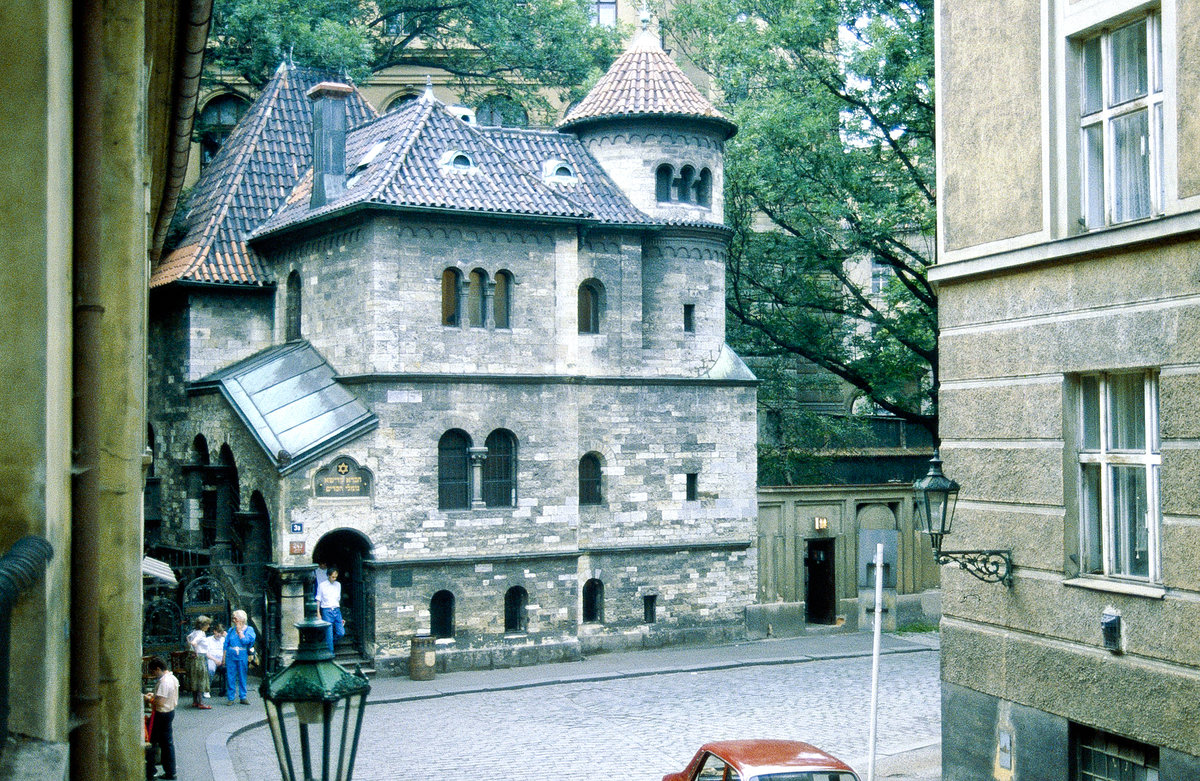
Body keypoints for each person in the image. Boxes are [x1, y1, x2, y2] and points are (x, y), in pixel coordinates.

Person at [144, 656, 178, 779]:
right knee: (167, 743)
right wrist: (154, 695)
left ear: (158, 669)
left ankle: (151, 771)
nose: (153, 675)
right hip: (169, 712)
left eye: (153, 672)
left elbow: (160, 702)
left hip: (161, 714)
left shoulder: (164, 682)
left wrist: (148, 698)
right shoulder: (172, 678)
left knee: (152, 742)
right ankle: (170, 771)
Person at [224, 609, 257, 705]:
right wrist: (224, 657)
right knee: (230, 676)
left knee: (242, 676)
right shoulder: (230, 630)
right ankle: (231, 698)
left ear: (242, 619)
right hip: (231, 655)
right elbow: (226, 644)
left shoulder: (249, 630)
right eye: (233, 618)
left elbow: (247, 642)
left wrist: (240, 632)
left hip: (242, 654)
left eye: (235, 618)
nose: (233, 620)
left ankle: (243, 696)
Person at [316, 567, 345, 653]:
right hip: (326, 610)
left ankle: (327, 645)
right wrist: (318, 612)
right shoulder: (322, 585)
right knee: (329, 634)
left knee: (341, 632)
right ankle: (330, 652)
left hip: (336, 610)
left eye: (336, 577)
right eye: (332, 577)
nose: (334, 579)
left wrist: (340, 615)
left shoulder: (338, 585)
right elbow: (318, 599)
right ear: (328, 575)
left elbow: (338, 599)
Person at [186, 616, 212, 708]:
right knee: (201, 679)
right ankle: (201, 702)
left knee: (194, 678)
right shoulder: (201, 633)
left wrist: (191, 651)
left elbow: (188, 638)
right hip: (200, 657)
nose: (208, 626)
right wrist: (196, 651)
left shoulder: (194, 632)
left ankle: (195, 701)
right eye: (207, 624)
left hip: (193, 659)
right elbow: (193, 642)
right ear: (203, 625)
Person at [203, 622, 226, 694]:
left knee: (231, 668)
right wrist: (215, 660)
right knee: (211, 669)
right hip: (212, 658)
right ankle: (207, 689)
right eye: (218, 632)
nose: (219, 635)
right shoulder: (208, 640)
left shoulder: (224, 639)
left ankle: (226, 689)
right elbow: (206, 653)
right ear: (214, 631)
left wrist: (223, 660)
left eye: (221, 633)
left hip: (223, 659)